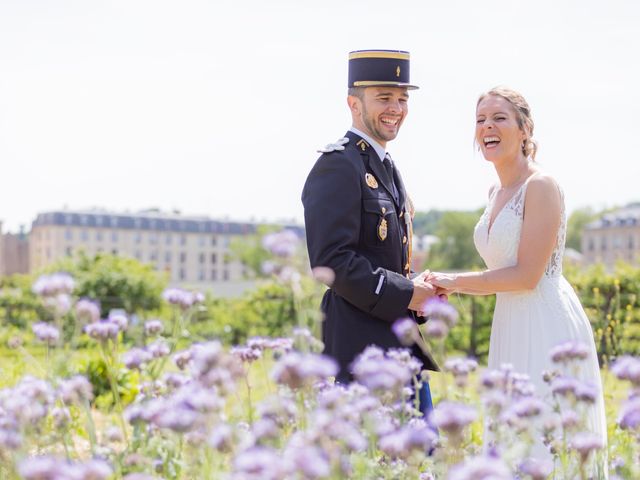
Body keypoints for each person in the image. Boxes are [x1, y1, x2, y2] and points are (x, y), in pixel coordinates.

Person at [427, 87, 607, 470]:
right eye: (480, 120)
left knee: (545, 437)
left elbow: (526, 276)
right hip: (509, 321)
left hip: (545, 322)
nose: (487, 127)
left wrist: (452, 281)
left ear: (525, 129)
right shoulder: (495, 191)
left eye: (499, 118)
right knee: (511, 438)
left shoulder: (541, 186)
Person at [301, 50, 439, 413]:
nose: (396, 107)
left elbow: (384, 259)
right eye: (384, 98)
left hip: (398, 348)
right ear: (353, 103)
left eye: (402, 98)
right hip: (361, 351)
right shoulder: (338, 165)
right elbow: (332, 261)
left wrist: (419, 293)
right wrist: (407, 293)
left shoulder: (386, 165)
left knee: (417, 464)